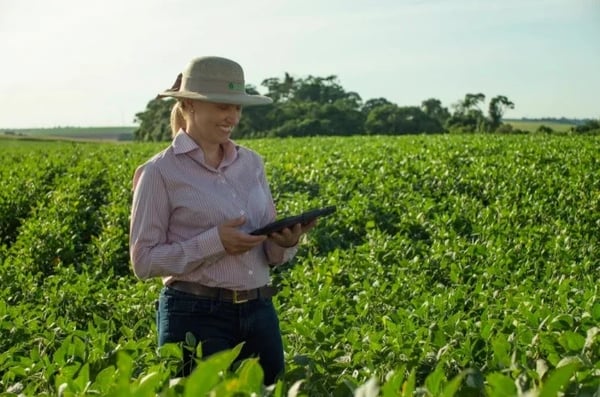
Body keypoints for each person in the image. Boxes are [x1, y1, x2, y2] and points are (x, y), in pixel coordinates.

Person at [129, 56, 316, 385]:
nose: (232, 116)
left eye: (237, 108)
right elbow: (143, 261)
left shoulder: (252, 163)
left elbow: (269, 250)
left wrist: (285, 243)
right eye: (222, 106)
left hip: (259, 311)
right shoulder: (159, 172)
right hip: (195, 315)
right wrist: (215, 242)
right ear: (189, 105)